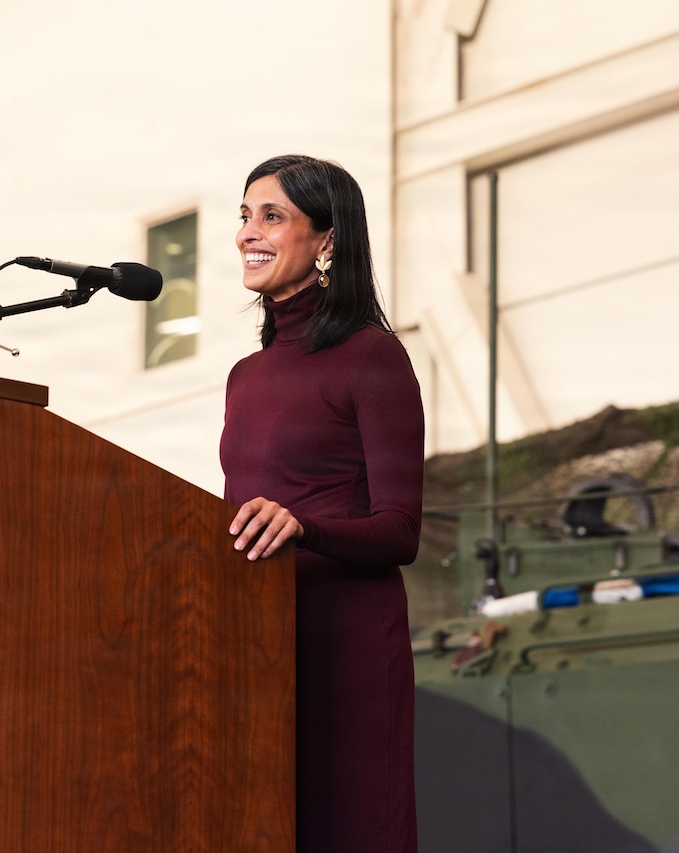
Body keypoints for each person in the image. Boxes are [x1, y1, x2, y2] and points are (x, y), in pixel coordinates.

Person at [220, 154, 424, 852]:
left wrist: (303, 526)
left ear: (327, 239)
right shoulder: (243, 376)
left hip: (347, 646)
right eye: (244, 216)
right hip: (255, 645)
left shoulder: (373, 357)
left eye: (271, 215)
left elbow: (400, 531)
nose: (249, 231)